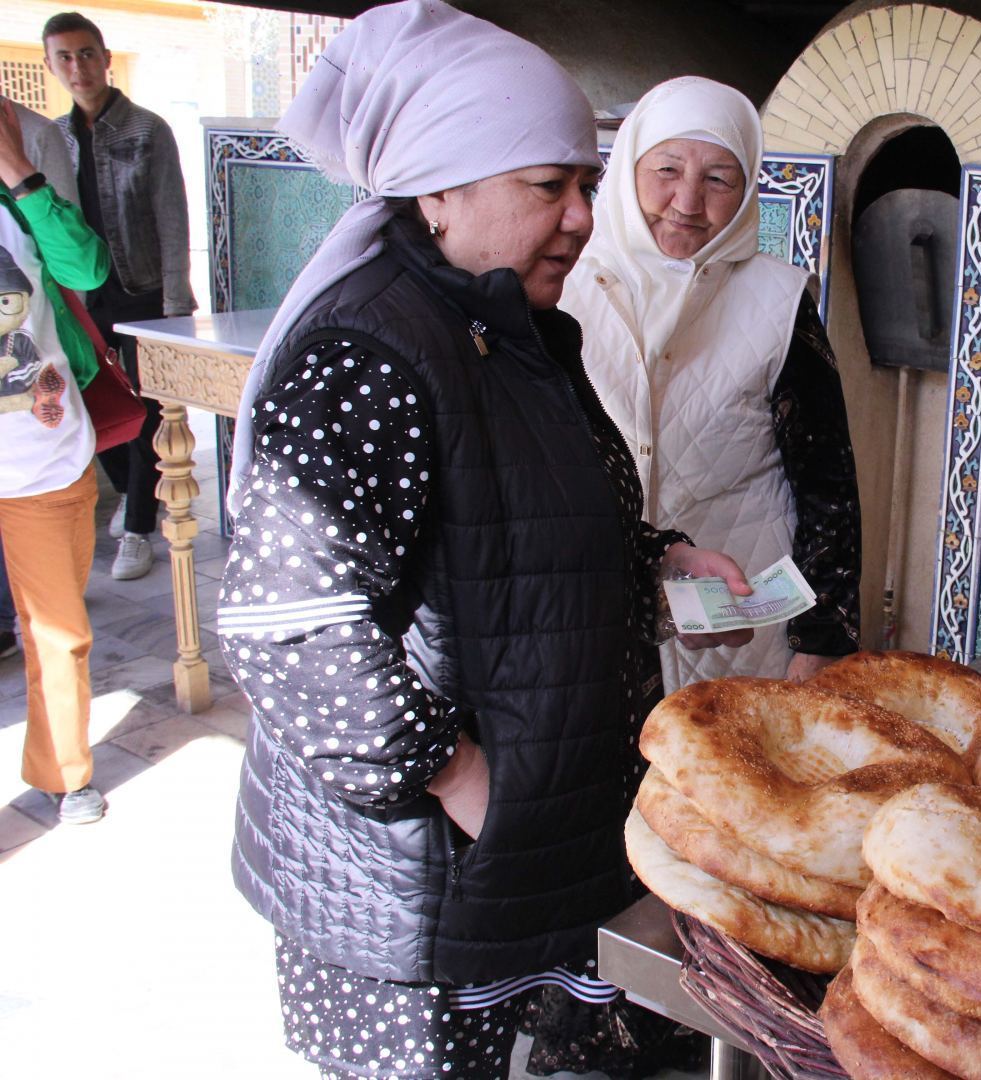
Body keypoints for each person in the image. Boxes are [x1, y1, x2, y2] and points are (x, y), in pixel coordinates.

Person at [219, 4, 750, 1076]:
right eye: (547, 187)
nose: (581, 220)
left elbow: (515, 521)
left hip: (515, 853)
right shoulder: (370, 349)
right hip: (416, 890)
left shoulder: (497, 325)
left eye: (586, 186)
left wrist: (656, 558)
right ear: (439, 190)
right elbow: (292, 630)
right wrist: (459, 778)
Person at [563, 76, 861, 691]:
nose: (687, 202)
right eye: (666, 170)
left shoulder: (778, 301)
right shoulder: (561, 281)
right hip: (589, 618)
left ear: (749, 186)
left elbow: (829, 486)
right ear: (626, 172)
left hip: (739, 630)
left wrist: (822, 640)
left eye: (719, 179)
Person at [44, 10, 196, 581]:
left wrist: (177, 304)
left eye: (87, 53)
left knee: (147, 408)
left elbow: (172, 218)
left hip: (142, 291)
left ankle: (136, 528)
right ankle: (138, 496)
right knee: (94, 400)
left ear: (106, 58)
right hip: (80, 294)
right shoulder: (51, 137)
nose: (78, 66)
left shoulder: (146, 130)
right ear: (51, 66)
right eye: (65, 56)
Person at [0, 95, 112, 824]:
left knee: (57, 630)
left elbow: (87, 268)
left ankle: (63, 771)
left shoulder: (19, 196)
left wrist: (16, 168)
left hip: (37, 457)